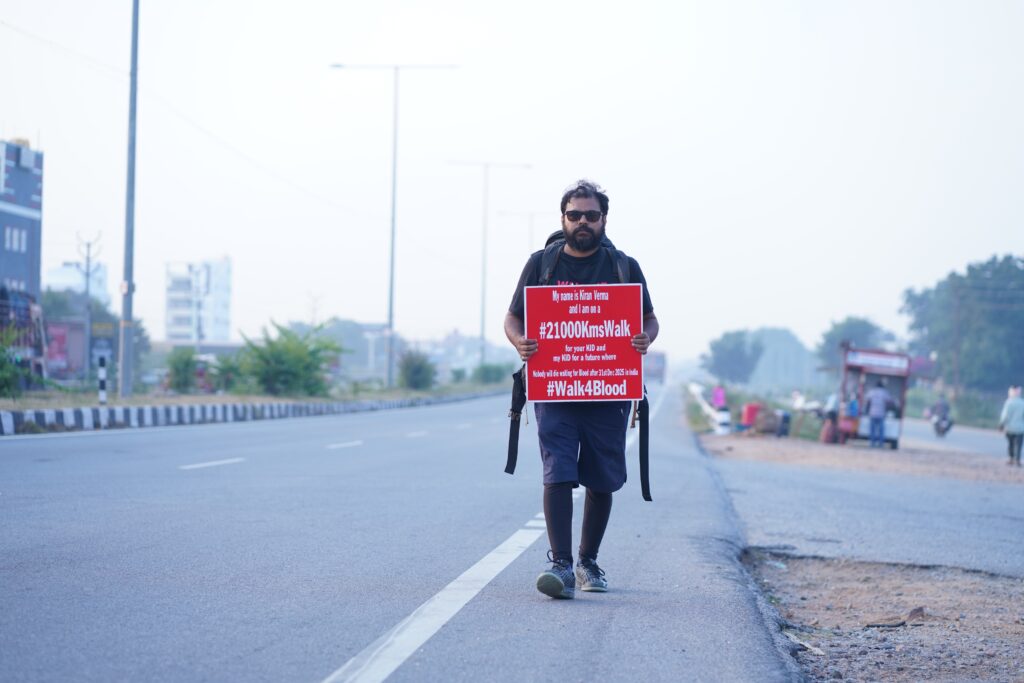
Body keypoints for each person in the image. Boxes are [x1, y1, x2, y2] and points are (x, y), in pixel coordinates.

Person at [505, 180, 659, 599]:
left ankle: (589, 560)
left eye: (591, 215)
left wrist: (645, 338)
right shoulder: (541, 264)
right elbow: (513, 318)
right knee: (558, 470)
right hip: (554, 389)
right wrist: (520, 342)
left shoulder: (623, 266)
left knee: (602, 479)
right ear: (563, 219)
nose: (583, 222)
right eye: (575, 215)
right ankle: (561, 565)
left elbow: (649, 319)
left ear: (604, 219)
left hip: (608, 392)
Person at [998, 385, 1024, 467]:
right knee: (1018, 445)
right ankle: (1017, 459)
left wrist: (1001, 424)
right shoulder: (1022, 403)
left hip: (1009, 428)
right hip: (1020, 428)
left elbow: (1005, 415)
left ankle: (1011, 458)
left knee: (1011, 444)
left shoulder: (1009, 402)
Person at [863, 380, 893, 448]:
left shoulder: (872, 392)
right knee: (881, 430)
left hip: (872, 413)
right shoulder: (884, 392)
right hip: (881, 414)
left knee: (872, 430)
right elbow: (890, 401)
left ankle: (872, 443)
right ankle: (880, 443)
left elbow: (867, 400)